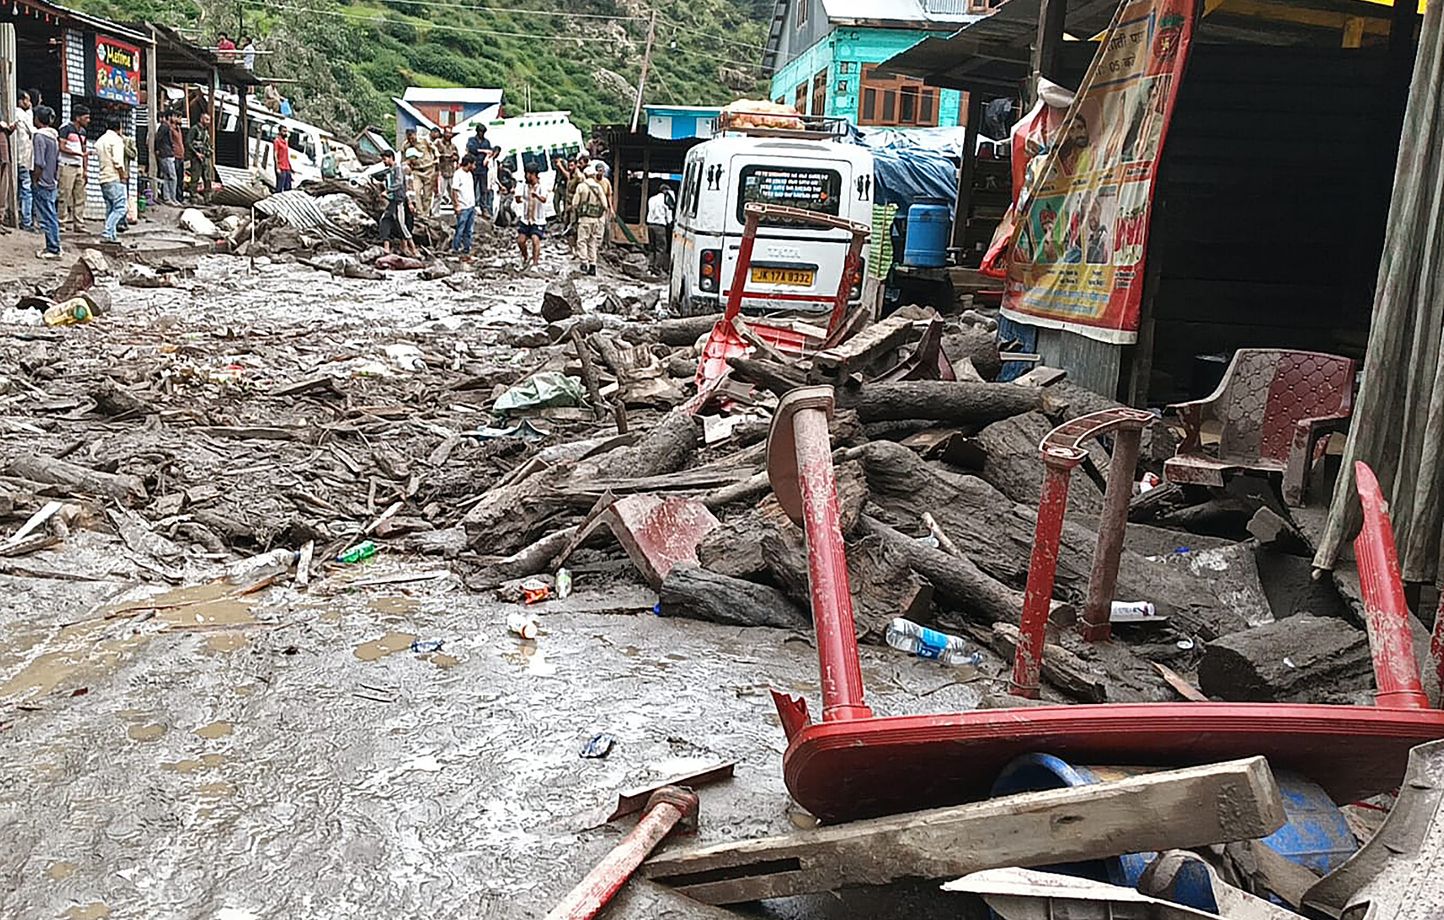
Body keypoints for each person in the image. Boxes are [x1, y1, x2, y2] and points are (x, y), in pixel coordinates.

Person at [31, 105, 61, 258]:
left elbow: (39, 162)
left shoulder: (39, 136)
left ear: (37, 119)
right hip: (51, 181)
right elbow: (56, 161)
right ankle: (55, 245)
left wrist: (35, 180)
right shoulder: (53, 137)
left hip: (42, 181)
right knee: (51, 215)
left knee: (46, 217)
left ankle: (53, 248)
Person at [374, 150, 417, 257]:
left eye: (384, 159)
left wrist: (388, 190)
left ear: (390, 157)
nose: (383, 161)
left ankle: (413, 249)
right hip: (393, 200)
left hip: (399, 200)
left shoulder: (398, 169)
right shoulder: (390, 171)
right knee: (385, 220)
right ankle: (386, 247)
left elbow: (399, 183)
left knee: (401, 225)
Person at [56, 105, 89, 234]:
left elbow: (84, 151)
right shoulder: (65, 129)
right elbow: (62, 147)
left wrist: (86, 169)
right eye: (86, 117)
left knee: (80, 196)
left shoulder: (83, 132)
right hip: (67, 166)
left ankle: (78, 223)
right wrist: (78, 154)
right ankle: (61, 223)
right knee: (64, 195)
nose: (88, 120)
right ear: (77, 117)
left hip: (79, 167)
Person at [94, 116, 127, 244]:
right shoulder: (116, 141)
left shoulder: (100, 140)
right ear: (119, 128)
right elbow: (118, 162)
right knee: (120, 208)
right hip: (113, 177)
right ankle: (108, 232)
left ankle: (112, 235)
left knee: (110, 207)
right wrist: (123, 175)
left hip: (103, 177)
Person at [572, 161, 608, 276]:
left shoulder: (581, 186)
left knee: (582, 241)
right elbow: (605, 205)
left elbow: (574, 204)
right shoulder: (599, 187)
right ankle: (593, 265)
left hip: (584, 219)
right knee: (592, 242)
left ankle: (584, 262)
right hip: (596, 219)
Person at [514, 168, 548, 270]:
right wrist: (518, 198)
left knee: (535, 239)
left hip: (538, 219)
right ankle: (525, 257)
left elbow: (544, 199)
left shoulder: (542, 186)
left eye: (529, 174)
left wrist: (536, 195)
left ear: (534, 174)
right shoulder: (524, 186)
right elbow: (519, 200)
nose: (527, 176)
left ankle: (535, 263)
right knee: (520, 241)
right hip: (525, 219)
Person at [14, 91, 35, 230]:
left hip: (18, 156)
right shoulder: (21, 113)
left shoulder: (15, 113)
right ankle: (26, 221)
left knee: (18, 188)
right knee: (26, 189)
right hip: (22, 157)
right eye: (27, 100)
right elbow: (32, 131)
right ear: (21, 101)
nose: (29, 103)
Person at [465, 124, 495, 218]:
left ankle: (483, 208)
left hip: (483, 168)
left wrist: (487, 156)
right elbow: (472, 149)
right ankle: (471, 206)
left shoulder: (486, 142)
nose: (481, 134)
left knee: (483, 189)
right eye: (480, 132)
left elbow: (490, 152)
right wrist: (483, 151)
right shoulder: (471, 140)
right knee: (472, 188)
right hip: (473, 167)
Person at [450, 154, 477, 258]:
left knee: (469, 230)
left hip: (470, 206)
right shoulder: (458, 174)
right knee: (460, 229)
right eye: (473, 164)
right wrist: (456, 205)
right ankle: (455, 248)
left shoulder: (469, 174)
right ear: (469, 164)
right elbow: (454, 191)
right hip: (463, 206)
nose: (474, 166)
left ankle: (466, 248)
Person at [406, 128, 437, 216]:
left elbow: (434, 150)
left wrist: (436, 160)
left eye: (413, 138)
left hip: (428, 169)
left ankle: (426, 213)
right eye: (409, 139)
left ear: (415, 135)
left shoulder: (424, 141)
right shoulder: (406, 145)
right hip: (416, 171)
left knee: (427, 194)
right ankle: (420, 213)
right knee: (416, 191)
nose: (411, 140)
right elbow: (404, 159)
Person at [645, 184, 674, 276]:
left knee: (651, 247)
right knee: (661, 248)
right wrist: (670, 223)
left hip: (650, 225)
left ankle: (650, 267)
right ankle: (656, 269)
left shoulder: (651, 199)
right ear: (665, 191)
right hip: (660, 226)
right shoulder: (666, 200)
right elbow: (668, 215)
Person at [186, 111, 214, 202]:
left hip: (205, 157)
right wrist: (196, 153)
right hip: (196, 158)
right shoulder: (194, 129)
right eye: (206, 119)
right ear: (201, 119)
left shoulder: (205, 131)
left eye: (209, 120)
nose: (208, 122)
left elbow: (208, 144)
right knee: (195, 178)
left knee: (208, 179)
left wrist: (210, 150)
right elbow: (188, 142)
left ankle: (208, 199)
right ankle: (193, 197)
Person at [152, 111, 176, 204]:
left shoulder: (166, 127)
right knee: (172, 177)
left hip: (167, 153)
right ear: (169, 117)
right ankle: (170, 197)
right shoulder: (164, 126)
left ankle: (169, 197)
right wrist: (157, 149)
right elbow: (158, 138)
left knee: (167, 176)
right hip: (165, 154)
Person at [435, 129, 457, 209]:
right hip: (440, 170)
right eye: (447, 133)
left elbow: (457, 156)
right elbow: (434, 154)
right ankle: (434, 213)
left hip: (451, 171)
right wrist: (443, 155)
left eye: (450, 133)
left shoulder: (453, 145)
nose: (448, 135)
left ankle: (456, 210)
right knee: (439, 194)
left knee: (454, 193)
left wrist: (454, 157)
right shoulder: (438, 143)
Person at [169, 113, 186, 203]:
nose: (180, 119)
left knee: (180, 178)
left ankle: (180, 197)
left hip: (181, 156)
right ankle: (173, 196)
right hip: (175, 156)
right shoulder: (170, 129)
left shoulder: (178, 129)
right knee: (173, 177)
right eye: (177, 117)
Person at [273, 127, 292, 192]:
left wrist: (290, 166)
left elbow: (286, 155)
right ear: (280, 131)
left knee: (288, 187)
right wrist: (277, 167)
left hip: (287, 167)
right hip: (281, 167)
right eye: (284, 131)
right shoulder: (277, 141)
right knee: (280, 187)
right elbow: (275, 155)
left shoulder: (286, 141)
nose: (285, 133)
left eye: (286, 131)